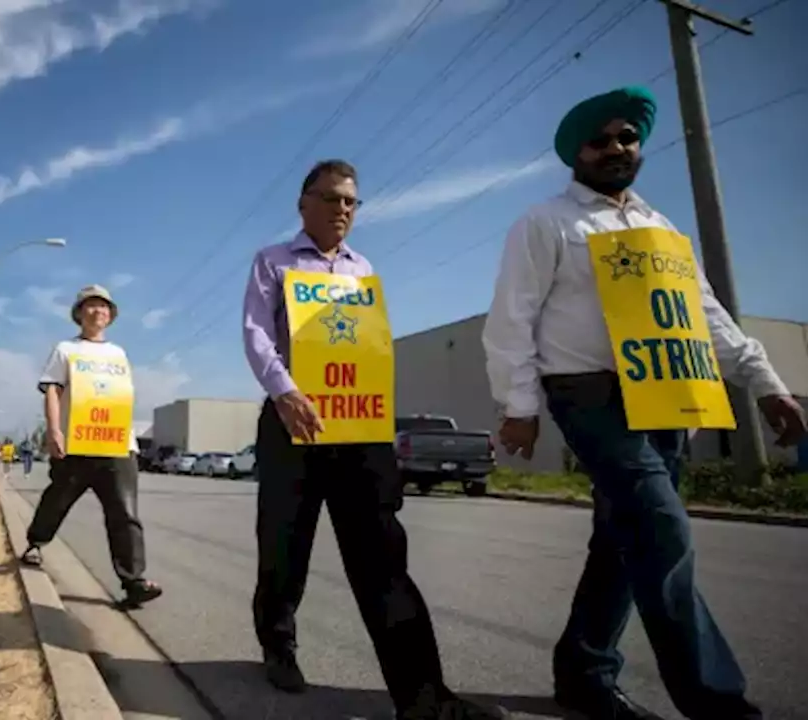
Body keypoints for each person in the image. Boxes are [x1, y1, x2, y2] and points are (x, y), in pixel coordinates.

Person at [483, 86, 807, 720]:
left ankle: (583, 672)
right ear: (575, 152)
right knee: (661, 527)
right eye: (600, 140)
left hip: (664, 393)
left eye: (627, 137)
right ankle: (716, 700)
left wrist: (764, 382)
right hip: (588, 395)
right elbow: (511, 320)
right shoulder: (547, 222)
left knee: (622, 539)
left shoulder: (660, 228)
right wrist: (517, 405)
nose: (615, 148)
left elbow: (706, 316)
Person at [241, 159, 505, 719]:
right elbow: (258, 335)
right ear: (303, 203)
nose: (342, 209)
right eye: (331, 198)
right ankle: (278, 644)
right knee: (284, 547)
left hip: (356, 426)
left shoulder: (364, 269)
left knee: (383, 554)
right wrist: (287, 393)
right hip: (291, 423)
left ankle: (424, 697)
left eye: (351, 202)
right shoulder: (273, 262)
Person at [18, 285, 162, 607]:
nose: (98, 311)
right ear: (79, 313)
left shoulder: (119, 354)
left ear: (111, 315)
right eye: (91, 306)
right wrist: (54, 430)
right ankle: (35, 544)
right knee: (58, 498)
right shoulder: (65, 350)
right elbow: (53, 390)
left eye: (104, 307)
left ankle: (133, 581)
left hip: (117, 446)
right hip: (77, 444)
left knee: (125, 514)